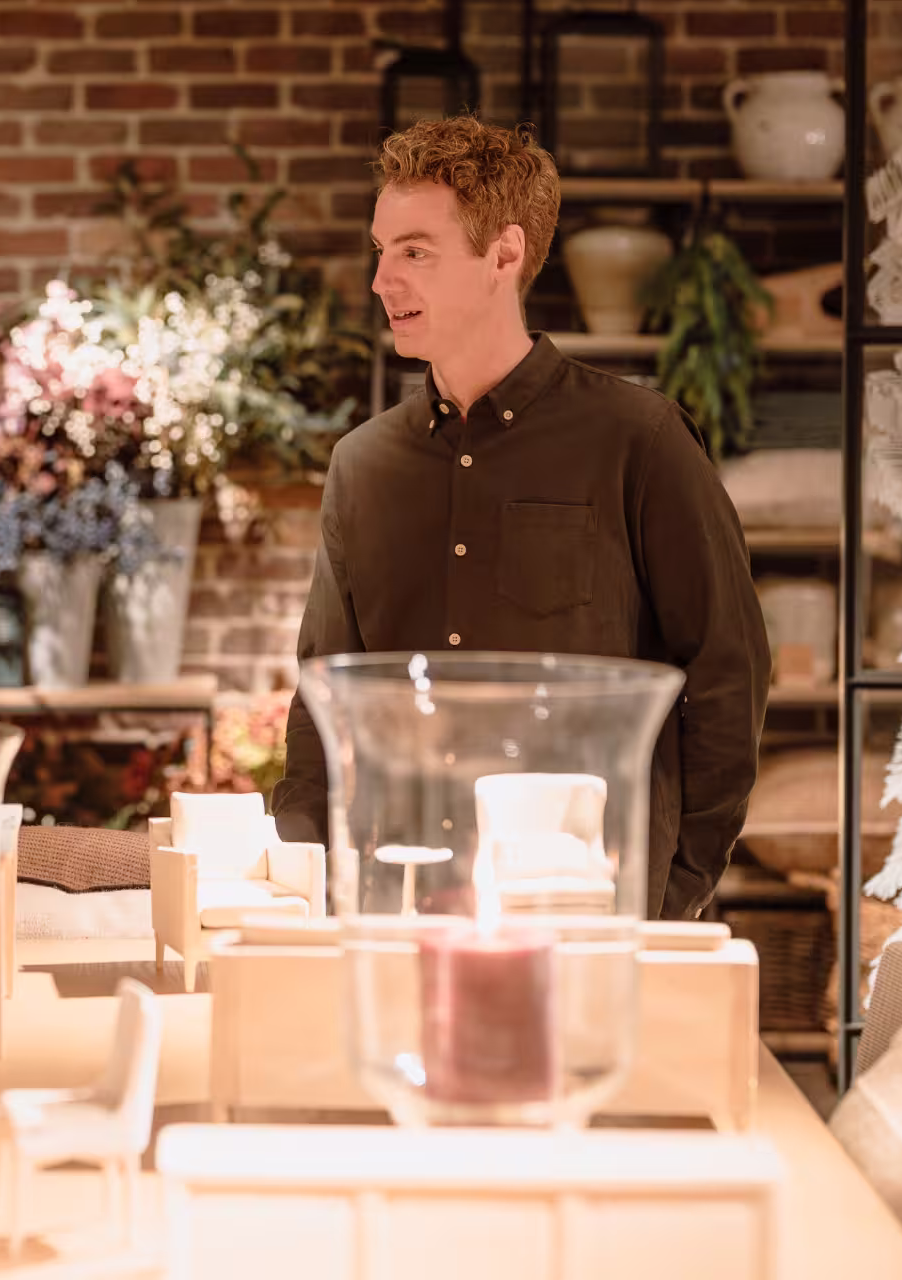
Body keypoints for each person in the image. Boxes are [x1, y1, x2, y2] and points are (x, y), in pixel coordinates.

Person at [270, 117, 771, 921]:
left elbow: (725, 675)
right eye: (382, 249)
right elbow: (324, 697)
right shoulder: (362, 466)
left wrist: (672, 892)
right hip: (404, 907)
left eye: (415, 251)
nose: (381, 280)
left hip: (593, 915)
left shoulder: (639, 440)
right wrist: (307, 879)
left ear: (504, 255)